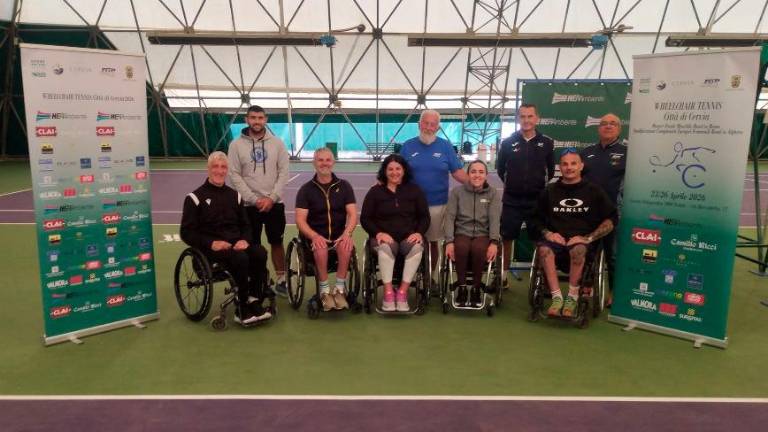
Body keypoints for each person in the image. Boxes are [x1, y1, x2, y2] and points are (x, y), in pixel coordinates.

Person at [180, 151, 272, 325]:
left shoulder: (234, 196)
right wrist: (211, 243)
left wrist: (244, 239)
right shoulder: (194, 198)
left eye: (223, 167)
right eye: (215, 166)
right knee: (241, 258)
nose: (219, 171)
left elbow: (246, 225)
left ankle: (253, 299)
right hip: (210, 251)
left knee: (259, 252)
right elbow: (186, 232)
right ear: (208, 169)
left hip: (236, 245)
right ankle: (241, 307)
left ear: (227, 170)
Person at [530, 149, 616, 318]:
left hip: (582, 244)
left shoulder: (594, 191)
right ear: (559, 167)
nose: (569, 167)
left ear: (581, 166)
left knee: (578, 249)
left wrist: (588, 238)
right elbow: (534, 219)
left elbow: (610, 220)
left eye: (573, 163)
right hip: (557, 241)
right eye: (565, 164)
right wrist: (548, 234)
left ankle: (572, 297)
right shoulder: (550, 191)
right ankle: (556, 298)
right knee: (544, 250)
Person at [228, 105, 291, 297]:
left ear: (265, 119)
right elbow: (234, 175)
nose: (257, 121)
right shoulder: (236, 145)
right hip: (248, 206)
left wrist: (271, 198)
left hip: (274, 204)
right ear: (247, 119)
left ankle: (281, 280)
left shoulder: (278, 144)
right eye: (253, 117)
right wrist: (254, 200)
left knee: (276, 242)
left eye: (260, 118)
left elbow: (284, 172)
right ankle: (257, 281)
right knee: (252, 245)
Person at [400, 110, 467, 277]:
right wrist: (380, 184)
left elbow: (457, 172)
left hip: (437, 204)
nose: (429, 127)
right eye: (426, 123)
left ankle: (431, 278)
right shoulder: (407, 146)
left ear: (438, 127)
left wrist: (477, 184)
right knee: (410, 242)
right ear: (419, 124)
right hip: (411, 206)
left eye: (433, 124)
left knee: (432, 243)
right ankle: (409, 277)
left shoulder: (445, 146)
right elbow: (395, 172)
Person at [361, 154, 430, 312]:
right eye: (390, 169)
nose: (394, 172)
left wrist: (419, 233)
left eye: (398, 169)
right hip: (385, 239)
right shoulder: (375, 192)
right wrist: (378, 233)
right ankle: (388, 293)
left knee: (417, 249)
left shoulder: (415, 191)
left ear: (404, 171)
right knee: (385, 248)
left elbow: (424, 217)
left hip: (408, 237)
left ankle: (402, 293)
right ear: (384, 171)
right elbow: (365, 218)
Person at [496, 103, 554, 283]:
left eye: (530, 116)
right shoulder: (507, 143)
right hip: (512, 200)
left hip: (536, 201)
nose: (526, 120)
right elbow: (500, 170)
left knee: (539, 240)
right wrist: (514, 185)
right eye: (523, 116)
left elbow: (550, 171)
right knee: (507, 239)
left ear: (537, 118)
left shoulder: (547, 142)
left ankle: (540, 279)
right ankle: (502, 277)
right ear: (518, 119)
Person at [295, 148, 357, 312]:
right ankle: (324, 291)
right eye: (320, 160)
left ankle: (339, 290)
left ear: (333, 162)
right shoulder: (305, 190)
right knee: (321, 248)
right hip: (313, 238)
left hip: (338, 236)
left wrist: (347, 233)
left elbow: (352, 214)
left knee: (345, 245)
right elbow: (300, 220)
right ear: (314, 163)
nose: (324, 163)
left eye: (328, 160)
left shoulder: (344, 186)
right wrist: (314, 236)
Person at [580, 113, 627, 304]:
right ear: (598, 128)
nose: (608, 126)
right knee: (587, 251)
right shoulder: (587, 152)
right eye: (604, 124)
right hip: (589, 214)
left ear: (619, 128)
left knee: (613, 255)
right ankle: (587, 286)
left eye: (613, 124)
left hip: (614, 213)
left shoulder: (627, 153)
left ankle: (614, 293)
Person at [444, 160, 502, 306]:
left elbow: (495, 219)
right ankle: (462, 288)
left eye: (481, 172)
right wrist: (449, 241)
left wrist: (494, 242)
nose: (477, 175)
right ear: (468, 174)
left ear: (486, 175)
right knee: (461, 247)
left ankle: (476, 288)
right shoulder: (457, 192)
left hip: (483, 234)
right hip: (462, 233)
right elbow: (450, 217)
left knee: (478, 248)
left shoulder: (493, 193)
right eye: (473, 172)